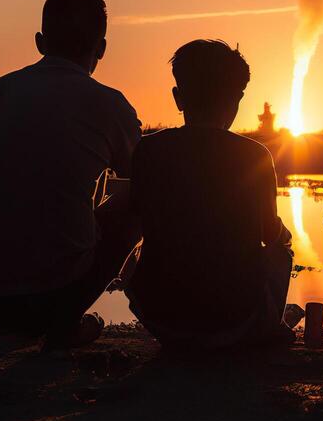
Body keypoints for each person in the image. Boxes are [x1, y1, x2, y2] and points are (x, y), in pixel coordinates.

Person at [0, 0, 141, 348]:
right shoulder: (110, 104)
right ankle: (62, 324)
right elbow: (144, 181)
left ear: (39, 42)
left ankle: (19, 321)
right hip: (52, 290)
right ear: (101, 48)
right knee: (136, 207)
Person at [123, 40, 294, 350]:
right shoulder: (254, 155)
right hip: (233, 319)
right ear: (235, 101)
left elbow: (136, 219)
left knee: (135, 251)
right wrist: (285, 235)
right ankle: (269, 322)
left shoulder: (149, 150)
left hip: (164, 320)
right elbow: (271, 233)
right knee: (282, 250)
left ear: (178, 98)